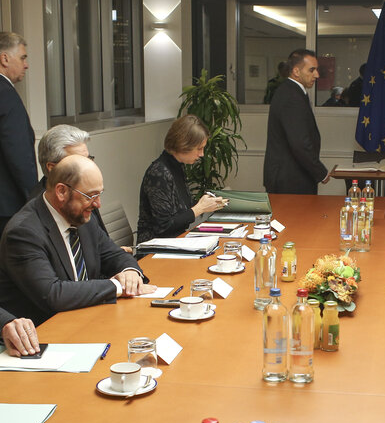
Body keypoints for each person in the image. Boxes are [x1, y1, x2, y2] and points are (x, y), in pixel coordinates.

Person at [0, 155, 156, 326]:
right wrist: (117, 287)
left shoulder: (81, 217)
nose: (98, 204)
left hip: (88, 319)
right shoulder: (23, 233)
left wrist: (130, 272)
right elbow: (53, 295)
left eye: (99, 194)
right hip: (46, 332)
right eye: (90, 196)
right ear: (61, 191)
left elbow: (114, 254)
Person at [137, 114, 226, 243]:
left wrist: (206, 203)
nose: (202, 154)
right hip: (154, 247)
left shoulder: (178, 166)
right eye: (199, 149)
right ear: (184, 145)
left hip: (176, 241)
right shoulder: (159, 173)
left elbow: (183, 210)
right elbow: (164, 226)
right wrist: (199, 208)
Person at [263, 49, 330, 194]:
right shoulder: (292, 96)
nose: (317, 75)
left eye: (317, 70)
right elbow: (299, 143)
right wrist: (321, 172)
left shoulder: (292, 91)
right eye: (312, 70)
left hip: (292, 177)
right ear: (296, 71)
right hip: (290, 180)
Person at [31, 124, 108, 234]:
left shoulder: (85, 192)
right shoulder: (35, 219)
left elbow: (102, 246)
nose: (88, 166)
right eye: (78, 162)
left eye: (88, 159)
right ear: (53, 169)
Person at [0, 32, 36, 236]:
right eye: (22, 57)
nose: (26, 64)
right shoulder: (6, 95)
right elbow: (19, 155)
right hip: (8, 208)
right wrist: (33, 201)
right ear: (4, 59)